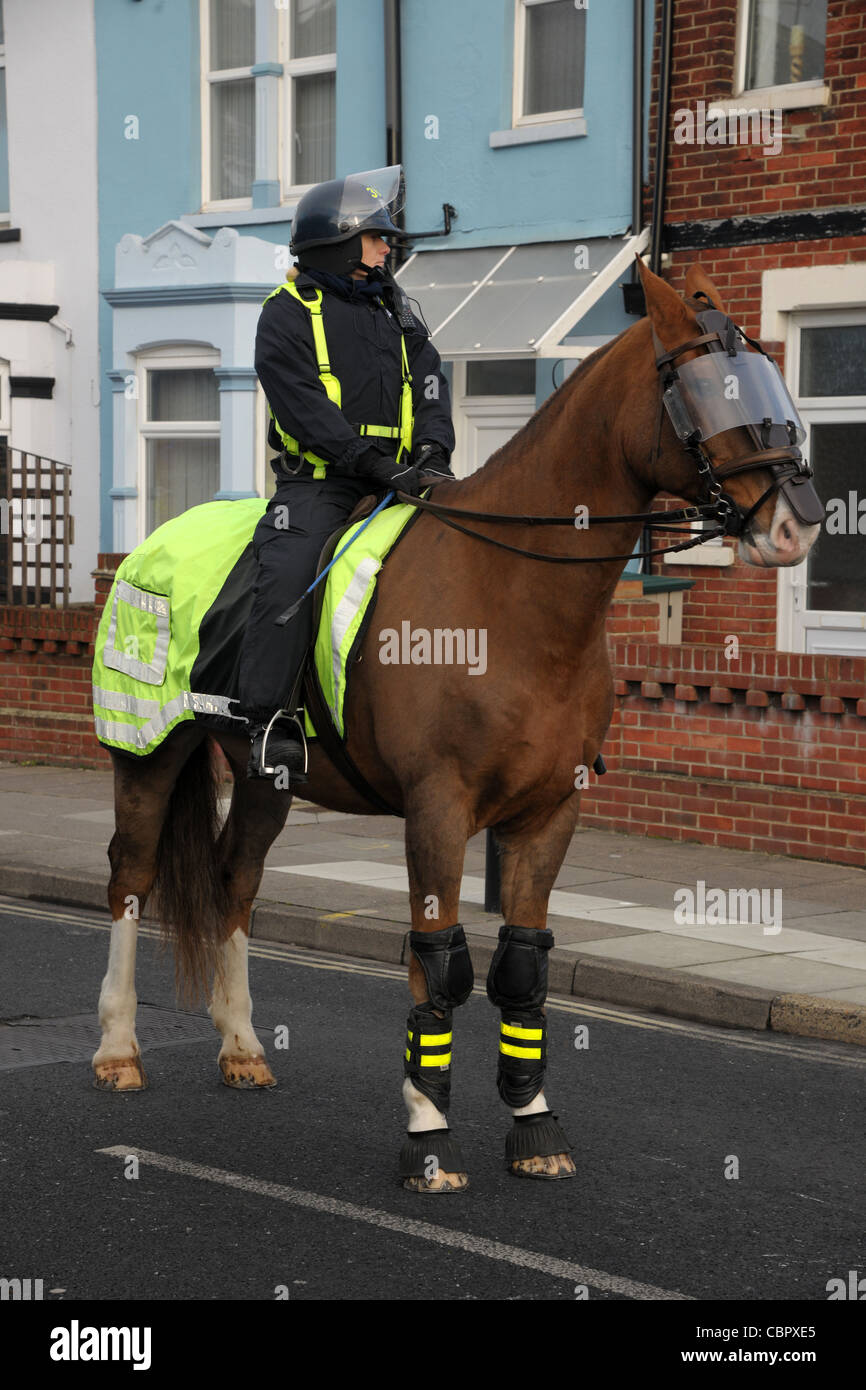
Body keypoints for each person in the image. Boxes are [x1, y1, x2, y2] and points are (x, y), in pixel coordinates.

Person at [238, 166, 455, 780]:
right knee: (288, 570)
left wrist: (435, 451)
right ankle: (269, 719)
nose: (389, 247)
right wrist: (374, 465)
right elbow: (305, 408)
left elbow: (433, 387)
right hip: (323, 483)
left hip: (410, 476)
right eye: (377, 236)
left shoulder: (400, 314)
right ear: (339, 240)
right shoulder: (285, 314)